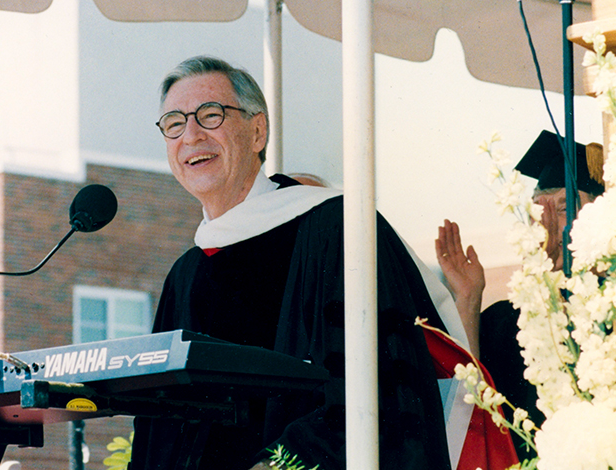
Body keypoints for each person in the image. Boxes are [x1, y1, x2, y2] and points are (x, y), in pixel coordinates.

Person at [129, 55, 510, 470]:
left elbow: (378, 389)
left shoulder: (338, 227)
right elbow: (157, 425)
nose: (191, 135)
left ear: (257, 131)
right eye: (174, 123)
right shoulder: (185, 274)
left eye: (210, 115)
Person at [436, 130, 605, 461]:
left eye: (562, 206)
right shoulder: (509, 319)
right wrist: (468, 301)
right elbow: (470, 406)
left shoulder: (606, 307)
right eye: (537, 206)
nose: (543, 221)